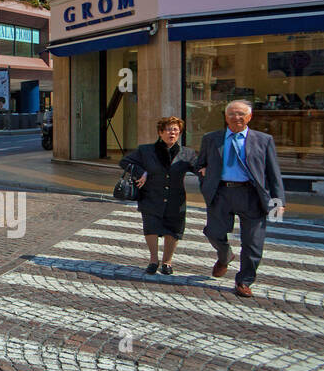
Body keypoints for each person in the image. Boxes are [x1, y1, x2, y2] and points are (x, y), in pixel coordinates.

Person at [195, 99, 285, 298]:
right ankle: (225, 255)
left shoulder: (264, 140)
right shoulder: (211, 139)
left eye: (241, 114)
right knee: (213, 232)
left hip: (251, 195)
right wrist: (203, 174)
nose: (237, 117)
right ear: (226, 117)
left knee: (253, 243)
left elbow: (273, 173)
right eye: (232, 114)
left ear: (250, 117)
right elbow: (199, 163)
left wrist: (278, 201)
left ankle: (244, 281)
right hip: (221, 193)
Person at [122, 116, 198, 274]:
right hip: (151, 196)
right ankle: (153, 260)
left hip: (175, 198)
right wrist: (140, 172)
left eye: (176, 130)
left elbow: (198, 167)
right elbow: (125, 162)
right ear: (160, 132)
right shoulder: (146, 150)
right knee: (151, 227)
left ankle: (167, 262)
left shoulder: (187, 153)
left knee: (173, 229)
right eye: (169, 129)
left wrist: (204, 170)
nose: (172, 133)